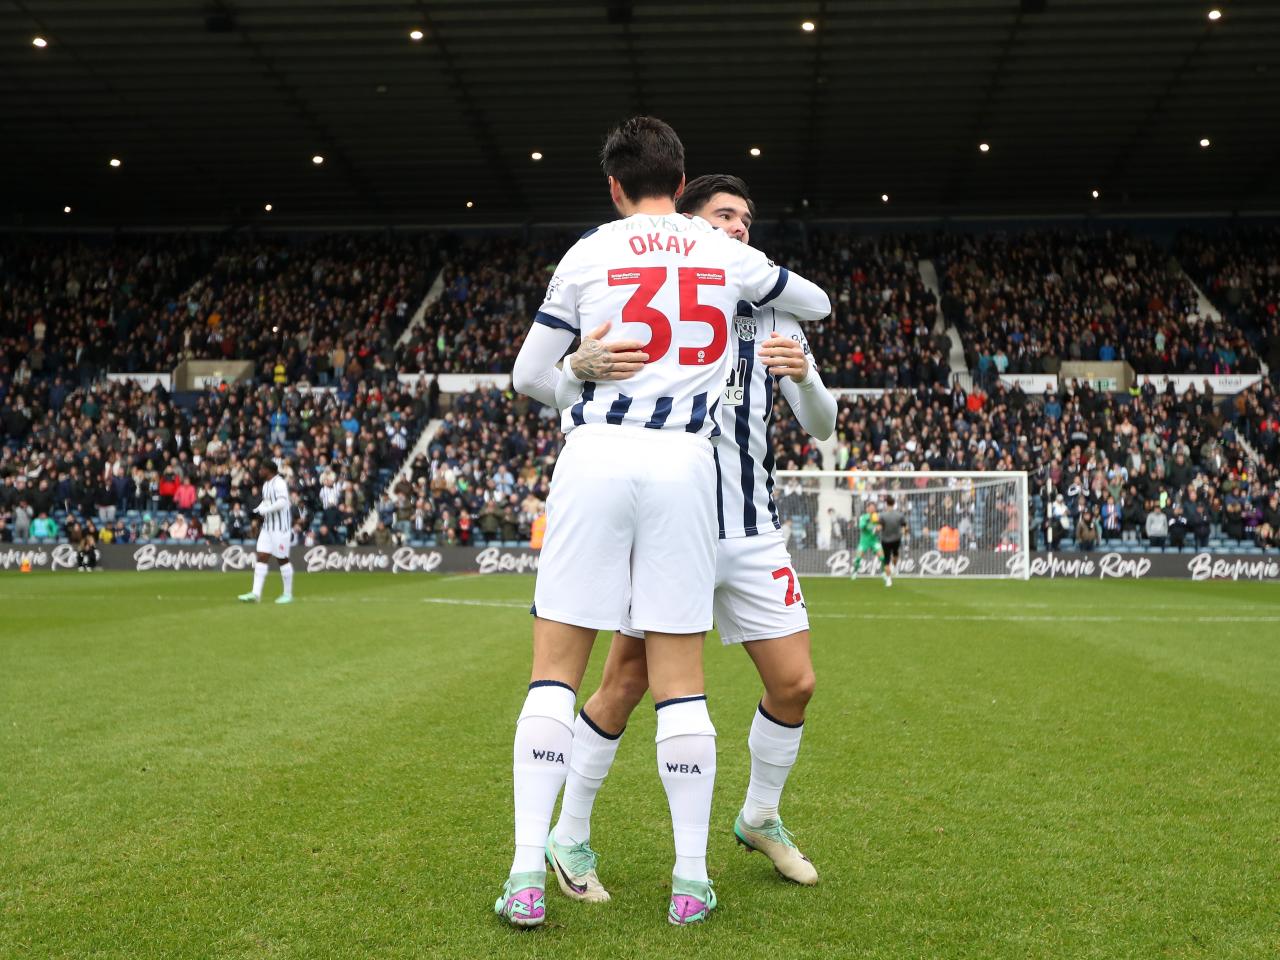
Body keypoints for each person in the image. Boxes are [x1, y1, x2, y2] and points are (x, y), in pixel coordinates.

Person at [502, 119, 830, 929]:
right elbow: (815, 297)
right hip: (683, 477)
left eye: (743, 222)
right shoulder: (724, 261)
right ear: (684, 196)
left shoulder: (591, 251)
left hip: (645, 476)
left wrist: (577, 375)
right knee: (661, 684)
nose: (733, 228)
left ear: (615, 188)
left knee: (559, 675)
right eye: (723, 214)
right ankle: (665, 871)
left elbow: (528, 376)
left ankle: (527, 870)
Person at [237, 458, 294, 604]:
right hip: (268, 527)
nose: (260, 471)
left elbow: (282, 501)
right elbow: (267, 500)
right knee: (262, 556)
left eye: (262, 468)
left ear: (269, 470)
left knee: (282, 559)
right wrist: (259, 508)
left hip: (280, 528)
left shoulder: (279, 482)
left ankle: (287, 594)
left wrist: (267, 509)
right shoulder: (266, 484)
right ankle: (255, 594)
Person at [878, 495, 906, 587]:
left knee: (886, 560)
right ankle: (894, 566)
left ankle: (889, 579)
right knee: (895, 554)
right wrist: (903, 531)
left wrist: (875, 529)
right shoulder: (899, 515)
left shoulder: (882, 515)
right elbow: (904, 526)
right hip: (896, 539)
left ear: (886, 504)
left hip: (885, 539)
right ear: (894, 504)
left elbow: (880, 527)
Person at [849, 503, 883, 579]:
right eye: (871, 508)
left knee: (882, 558)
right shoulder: (863, 517)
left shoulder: (877, 517)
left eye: (873, 508)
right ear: (867, 509)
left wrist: (879, 527)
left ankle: (884, 574)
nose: (872, 509)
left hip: (874, 541)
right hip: (864, 541)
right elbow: (861, 526)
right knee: (858, 558)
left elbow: (881, 526)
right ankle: (854, 571)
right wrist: (869, 522)